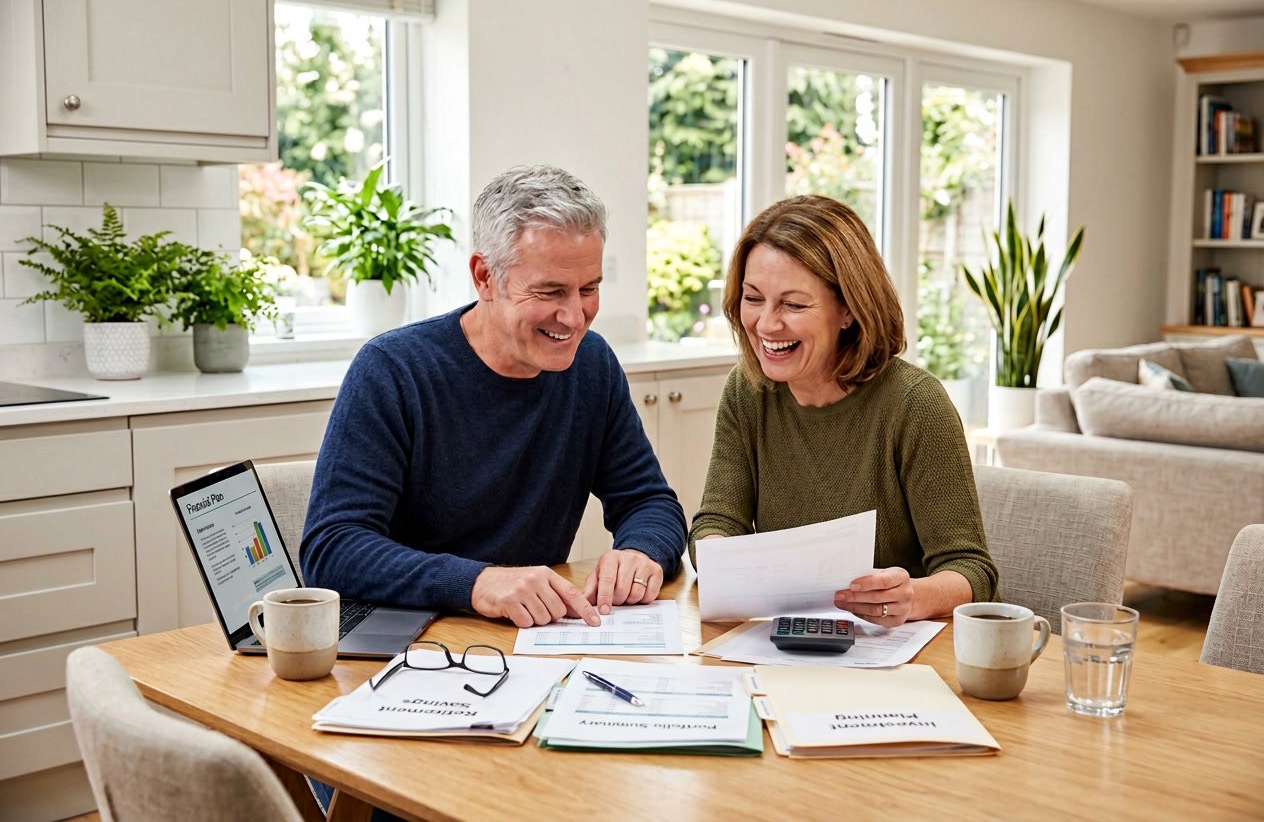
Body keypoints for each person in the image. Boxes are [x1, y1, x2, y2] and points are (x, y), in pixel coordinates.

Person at [302, 164, 687, 629]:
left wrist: (640, 551)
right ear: (485, 277)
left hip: (530, 641)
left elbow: (649, 501)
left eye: (589, 289)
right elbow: (333, 549)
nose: (574, 316)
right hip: (414, 648)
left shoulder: (592, 364)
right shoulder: (393, 370)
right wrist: (479, 583)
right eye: (550, 291)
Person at [689, 194, 998, 626]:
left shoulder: (915, 404)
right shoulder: (747, 391)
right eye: (753, 298)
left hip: (891, 655)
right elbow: (718, 520)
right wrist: (719, 552)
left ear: (848, 310)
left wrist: (912, 595)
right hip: (783, 645)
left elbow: (972, 571)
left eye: (794, 304)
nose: (766, 324)